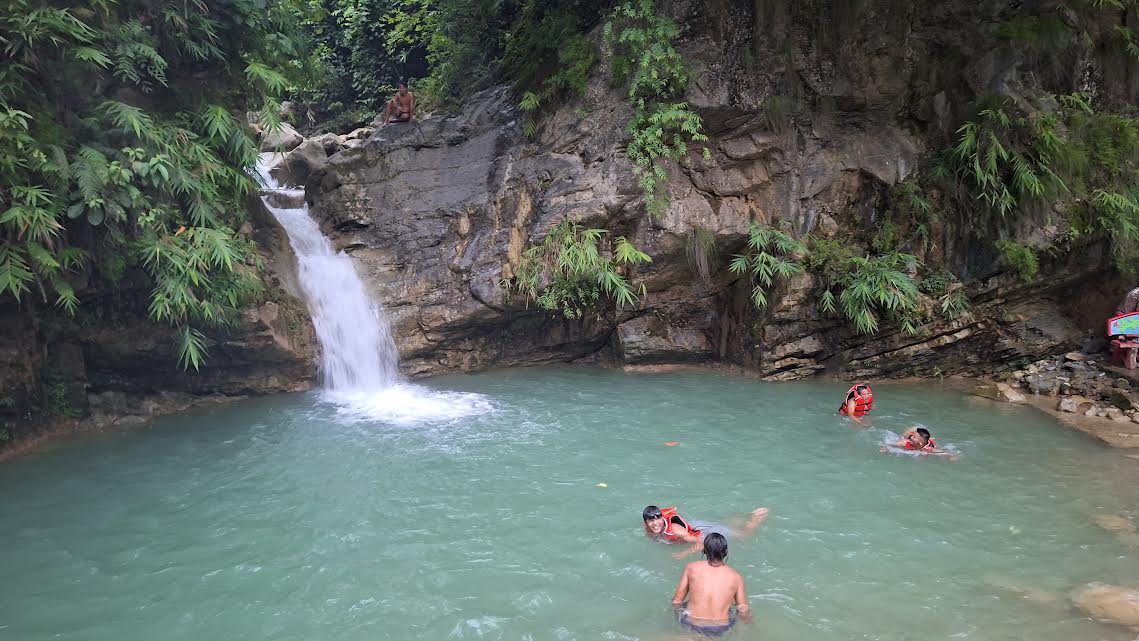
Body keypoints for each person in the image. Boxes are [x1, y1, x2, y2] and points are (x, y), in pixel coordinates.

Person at [670, 533, 752, 637]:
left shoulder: (691, 568)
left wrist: (675, 617)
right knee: (730, 609)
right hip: (720, 627)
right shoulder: (736, 576)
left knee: (685, 605)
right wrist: (749, 624)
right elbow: (743, 609)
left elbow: (677, 601)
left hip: (692, 622)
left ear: (704, 550)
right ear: (726, 552)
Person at [642, 505, 769, 559]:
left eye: (658, 519)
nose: (655, 523)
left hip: (702, 532)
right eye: (651, 521)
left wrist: (684, 553)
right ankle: (744, 516)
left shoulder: (675, 530)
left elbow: (701, 543)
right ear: (646, 521)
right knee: (724, 525)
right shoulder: (649, 527)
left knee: (743, 536)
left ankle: (756, 518)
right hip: (694, 525)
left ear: (661, 518)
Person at [881, 427, 951, 455]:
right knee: (902, 436)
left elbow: (946, 451)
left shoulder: (928, 449)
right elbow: (890, 444)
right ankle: (915, 429)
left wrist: (952, 456)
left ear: (920, 443)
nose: (911, 437)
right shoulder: (905, 442)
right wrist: (885, 447)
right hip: (916, 439)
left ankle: (921, 433)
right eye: (913, 436)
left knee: (934, 444)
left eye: (914, 437)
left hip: (926, 442)